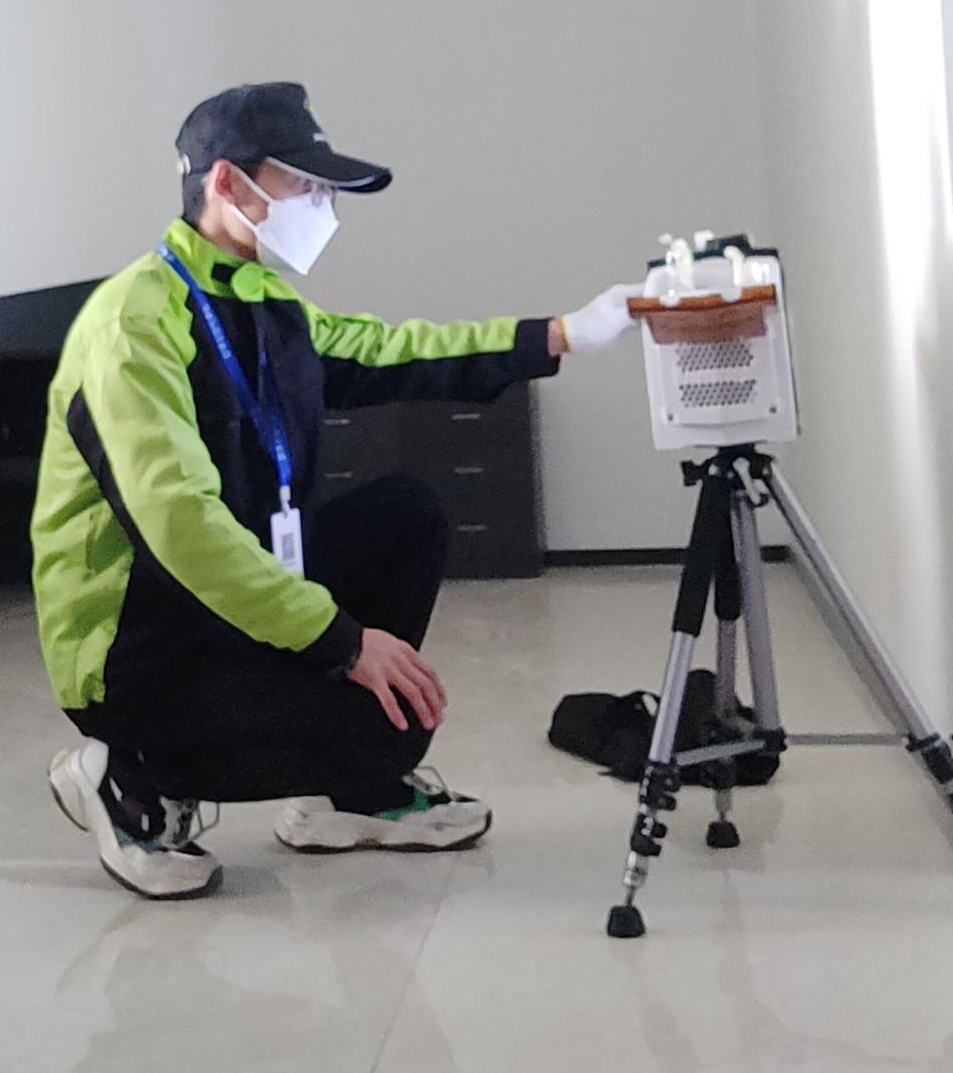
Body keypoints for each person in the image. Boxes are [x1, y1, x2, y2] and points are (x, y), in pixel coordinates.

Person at [32, 81, 636, 899]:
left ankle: (347, 797)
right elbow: (181, 526)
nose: (322, 206)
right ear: (226, 182)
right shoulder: (132, 323)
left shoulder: (263, 301)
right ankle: (128, 772)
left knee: (405, 516)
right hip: (141, 639)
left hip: (234, 597)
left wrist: (559, 335)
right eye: (305, 185)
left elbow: (389, 352)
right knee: (380, 729)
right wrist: (343, 643)